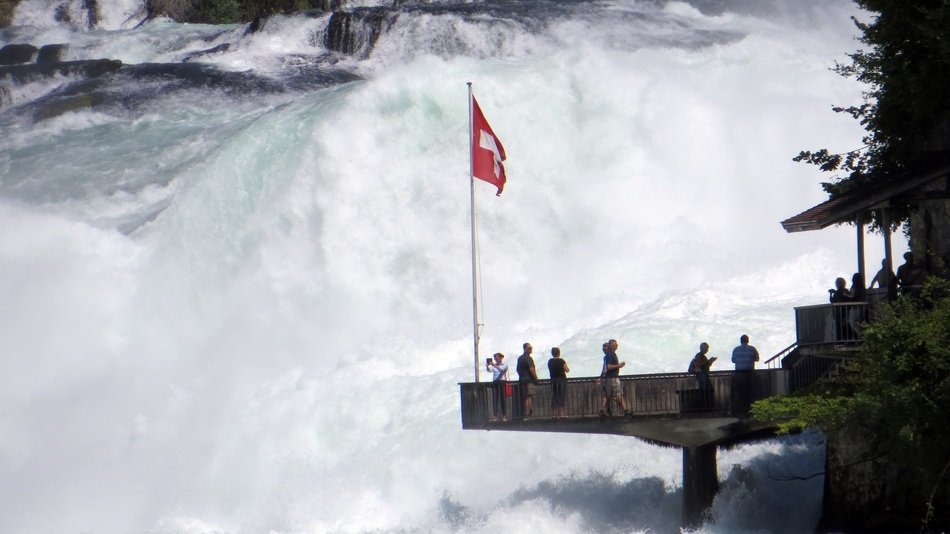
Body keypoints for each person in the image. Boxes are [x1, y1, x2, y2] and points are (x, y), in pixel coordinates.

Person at [598, 339, 630, 418]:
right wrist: (619, 365)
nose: (617, 346)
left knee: (608, 395)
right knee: (618, 394)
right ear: (612, 346)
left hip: (609, 378)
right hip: (613, 378)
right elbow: (608, 367)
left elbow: (605, 368)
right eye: (616, 344)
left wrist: (601, 377)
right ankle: (625, 410)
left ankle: (604, 410)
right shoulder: (610, 355)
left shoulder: (609, 355)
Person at [730, 334, 759, 416]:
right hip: (749, 373)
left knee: (739, 393)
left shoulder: (736, 349)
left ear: (741, 340)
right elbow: (757, 359)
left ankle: (740, 412)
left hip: (739, 373)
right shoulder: (752, 349)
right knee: (750, 392)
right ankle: (750, 411)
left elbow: (733, 360)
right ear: (748, 340)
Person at [516, 342, 539, 419]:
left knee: (526, 397)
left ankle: (526, 414)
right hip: (529, 380)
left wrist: (521, 376)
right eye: (529, 348)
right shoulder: (528, 358)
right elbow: (531, 369)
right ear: (525, 349)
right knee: (529, 396)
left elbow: (517, 369)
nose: (531, 349)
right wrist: (536, 378)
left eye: (531, 348)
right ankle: (528, 413)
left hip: (522, 379)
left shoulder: (520, 358)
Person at [547, 347, 570, 418]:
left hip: (553, 381)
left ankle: (554, 414)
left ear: (552, 353)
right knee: (561, 396)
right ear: (559, 353)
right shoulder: (561, 361)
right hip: (561, 381)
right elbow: (567, 370)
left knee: (554, 396)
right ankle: (561, 414)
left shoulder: (550, 361)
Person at [486, 353, 509, 421]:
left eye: (497, 358)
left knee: (503, 399)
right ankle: (495, 416)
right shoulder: (494, 365)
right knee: (495, 399)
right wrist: (487, 366)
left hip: (502, 382)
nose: (496, 359)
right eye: (495, 358)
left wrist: (493, 365)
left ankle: (504, 415)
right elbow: (489, 371)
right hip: (495, 382)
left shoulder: (504, 364)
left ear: (501, 358)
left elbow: (502, 369)